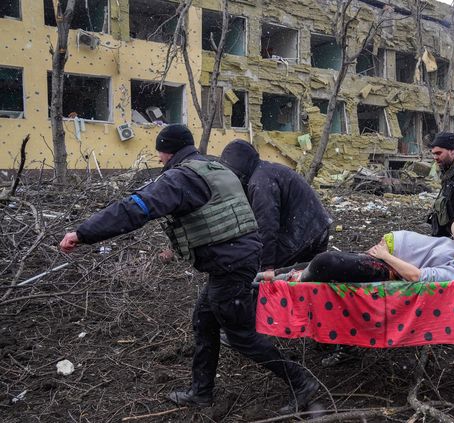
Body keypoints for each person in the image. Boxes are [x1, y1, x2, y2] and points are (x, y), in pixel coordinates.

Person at [59, 124, 318, 413]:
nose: (159, 160)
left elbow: (135, 208)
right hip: (237, 257)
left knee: (240, 335)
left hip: (230, 263)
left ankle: (301, 381)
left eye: (159, 154)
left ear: (167, 152)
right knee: (204, 320)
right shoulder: (212, 166)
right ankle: (201, 392)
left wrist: (83, 233)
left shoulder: (181, 178)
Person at [258, 220, 454, 284]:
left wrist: (385, 255)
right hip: (385, 251)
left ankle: (287, 280)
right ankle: (261, 276)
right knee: (316, 261)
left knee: (326, 262)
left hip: (388, 267)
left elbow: (415, 276)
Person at [220, 140, 332, 271]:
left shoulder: (260, 182)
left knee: (262, 275)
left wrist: (267, 266)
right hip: (316, 227)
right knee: (303, 279)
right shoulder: (265, 171)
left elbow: (267, 225)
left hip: (304, 233)